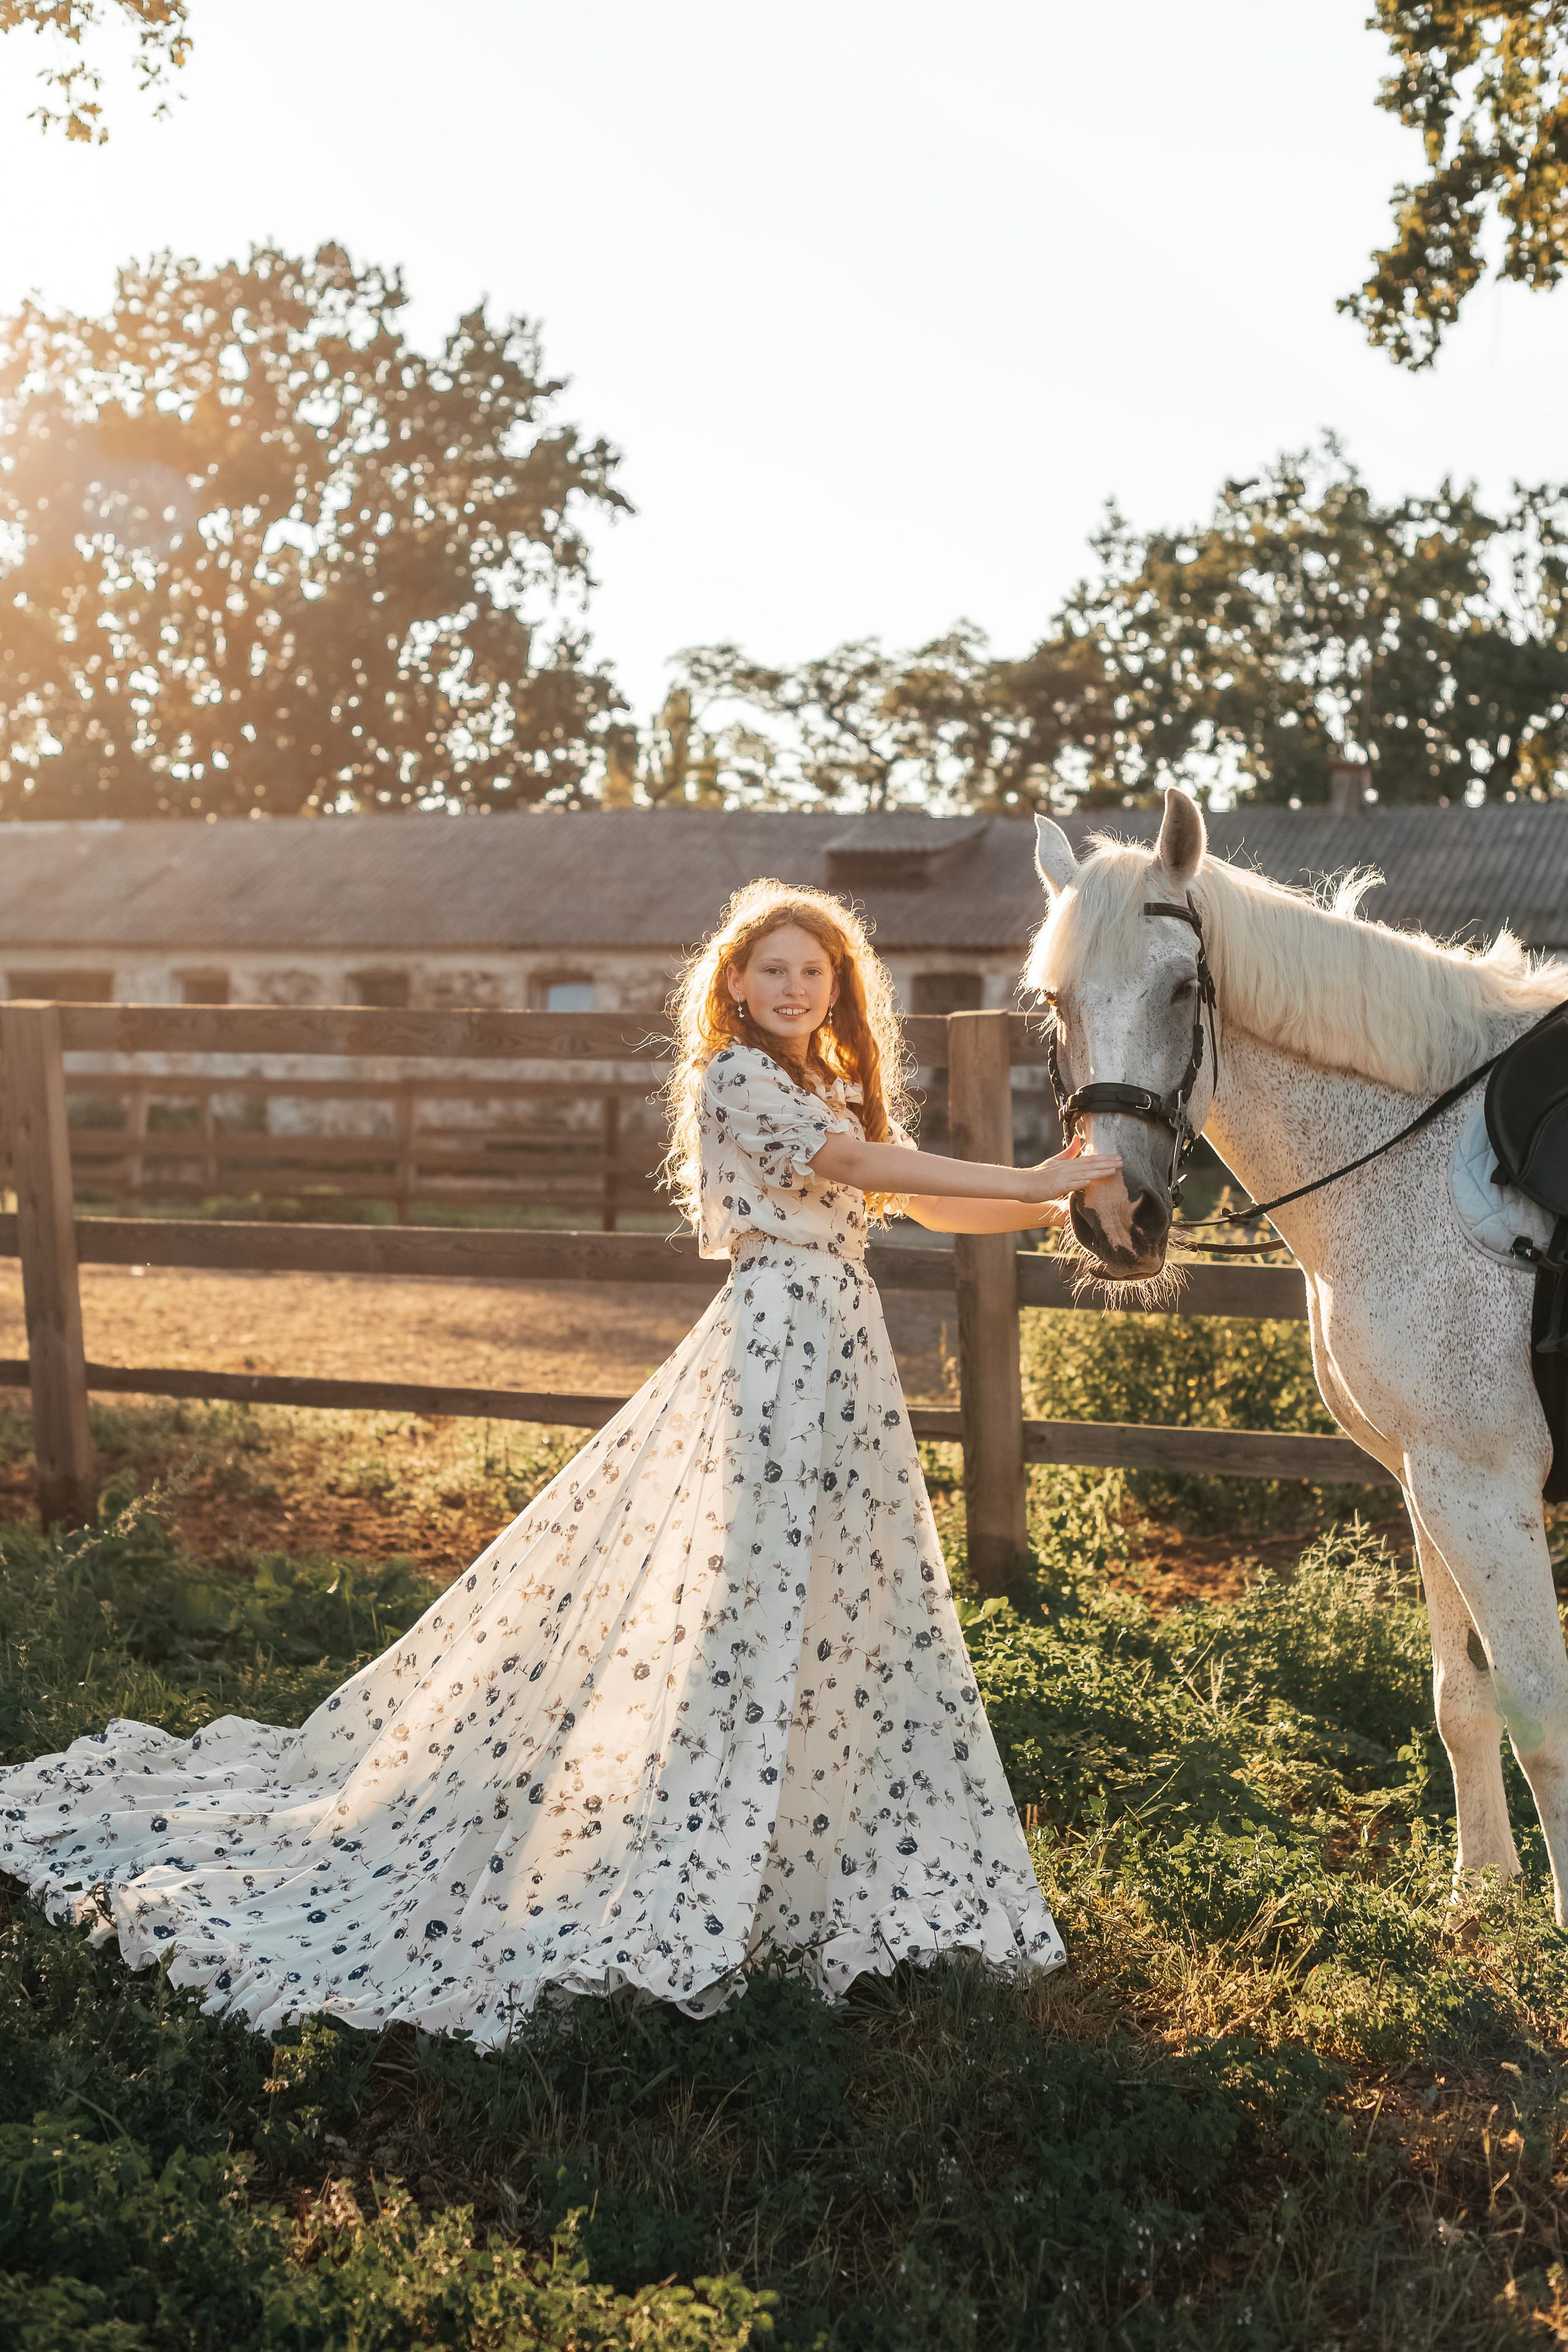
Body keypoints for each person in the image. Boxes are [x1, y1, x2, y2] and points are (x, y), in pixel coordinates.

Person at [0, 880, 1120, 2043]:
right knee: (748, 1595)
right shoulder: (736, 1077)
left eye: (815, 973)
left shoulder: (824, 1083)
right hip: (776, 1351)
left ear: (837, 991)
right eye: (775, 969)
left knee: (845, 1592)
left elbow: (924, 1207)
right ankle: (697, 1839)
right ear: (734, 984)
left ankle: (806, 1847)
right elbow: (868, 1164)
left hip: (843, 1352)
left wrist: (1051, 1203)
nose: (794, 988)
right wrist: (1032, 1176)